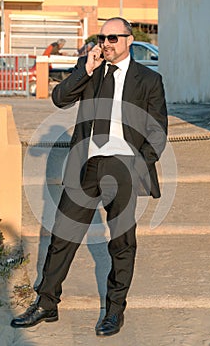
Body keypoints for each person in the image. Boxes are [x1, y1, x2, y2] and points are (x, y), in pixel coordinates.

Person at [11, 17, 167, 337]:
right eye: (102, 37)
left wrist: (139, 164)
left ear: (128, 41)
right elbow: (60, 99)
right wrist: (87, 69)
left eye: (113, 37)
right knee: (63, 235)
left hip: (124, 166)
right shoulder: (90, 68)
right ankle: (46, 303)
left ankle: (114, 310)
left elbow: (157, 130)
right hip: (86, 164)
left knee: (122, 242)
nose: (106, 43)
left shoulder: (148, 79)